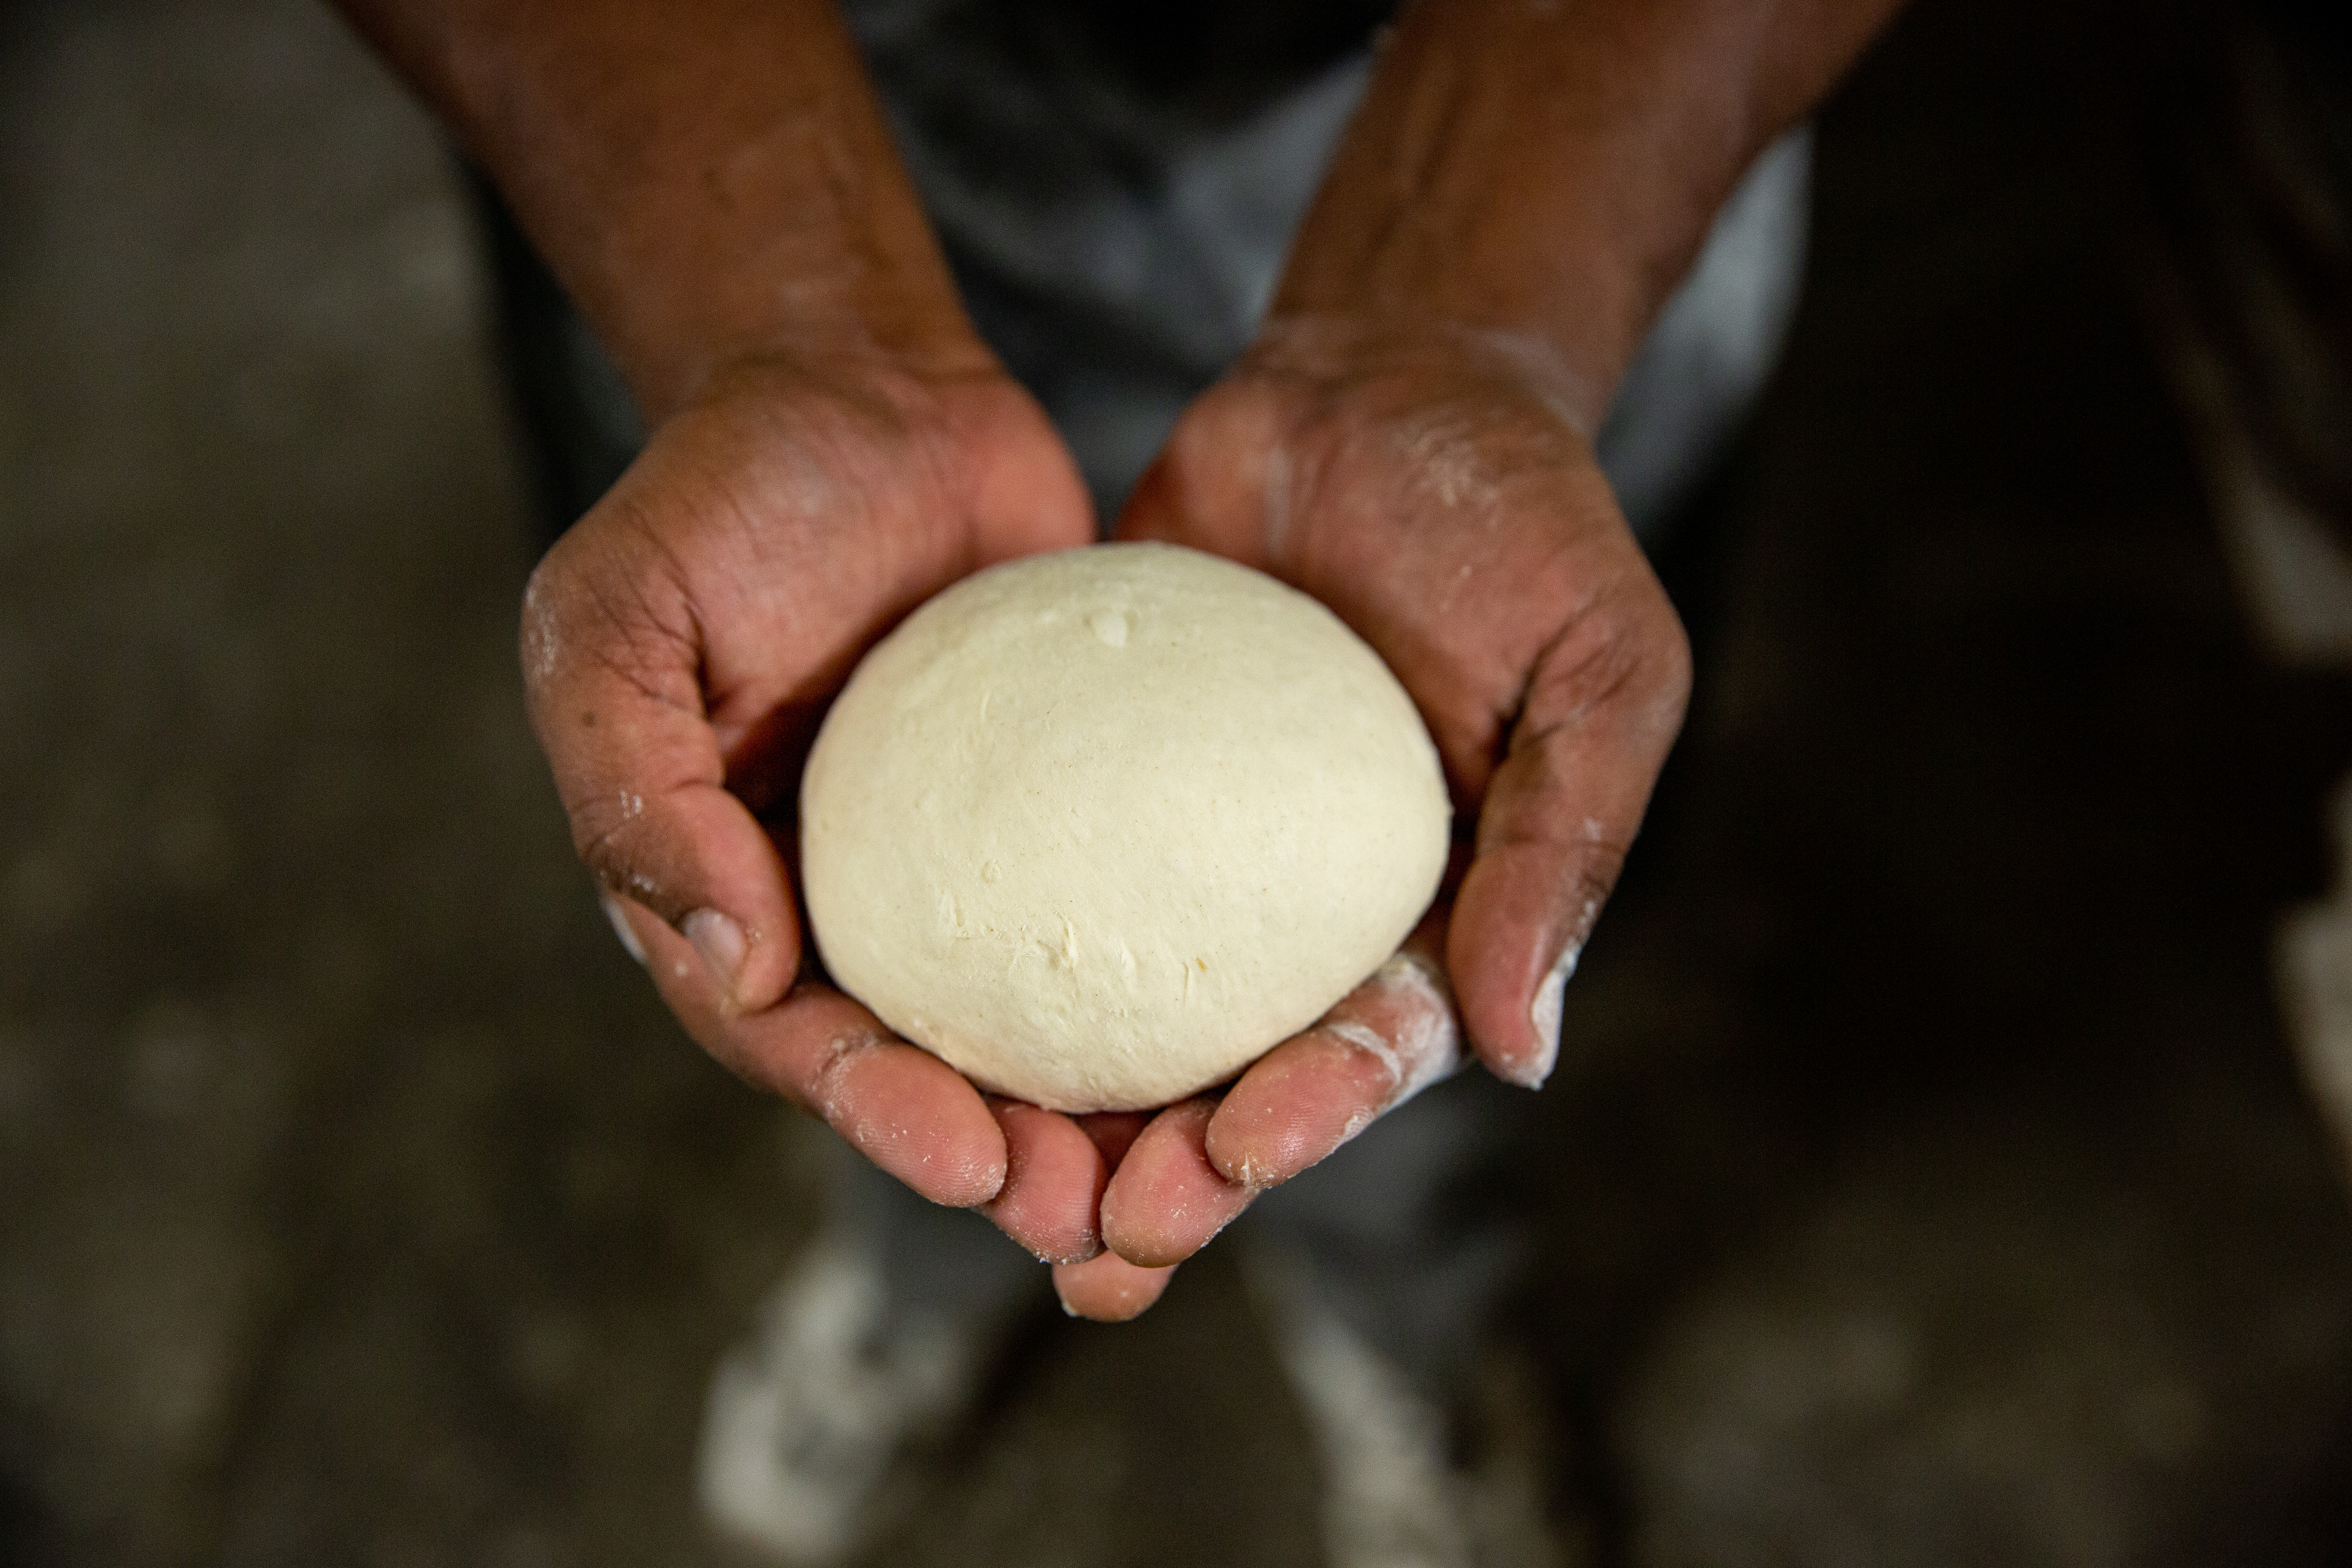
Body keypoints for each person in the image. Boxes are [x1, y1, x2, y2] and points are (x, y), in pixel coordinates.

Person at [333, 0, 1903, 1560]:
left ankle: (1416, 1354)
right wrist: (783, 324)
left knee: (1452, 999)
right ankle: (913, 1287)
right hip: (705, 142)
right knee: (815, 951)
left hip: (1561, 143)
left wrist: (1475, 329)